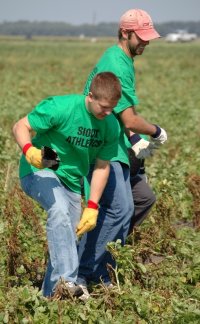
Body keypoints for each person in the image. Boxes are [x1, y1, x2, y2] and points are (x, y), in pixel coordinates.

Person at [78, 9, 167, 293]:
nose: (146, 43)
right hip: (99, 146)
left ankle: (105, 259)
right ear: (125, 33)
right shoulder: (115, 62)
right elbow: (128, 117)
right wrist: (155, 131)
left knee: (142, 199)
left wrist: (132, 139)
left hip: (116, 143)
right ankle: (84, 272)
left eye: (148, 38)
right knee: (119, 208)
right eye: (141, 37)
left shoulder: (125, 60)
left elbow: (119, 112)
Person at [12, 72, 122, 298]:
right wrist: (29, 150)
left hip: (72, 181)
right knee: (59, 210)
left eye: (112, 107)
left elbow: (102, 167)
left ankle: (51, 298)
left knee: (66, 238)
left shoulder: (110, 125)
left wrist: (92, 205)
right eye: (103, 107)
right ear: (90, 96)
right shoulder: (61, 107)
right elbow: (20, 126)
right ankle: (69, 282)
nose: (108, 112)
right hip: (41, 168)